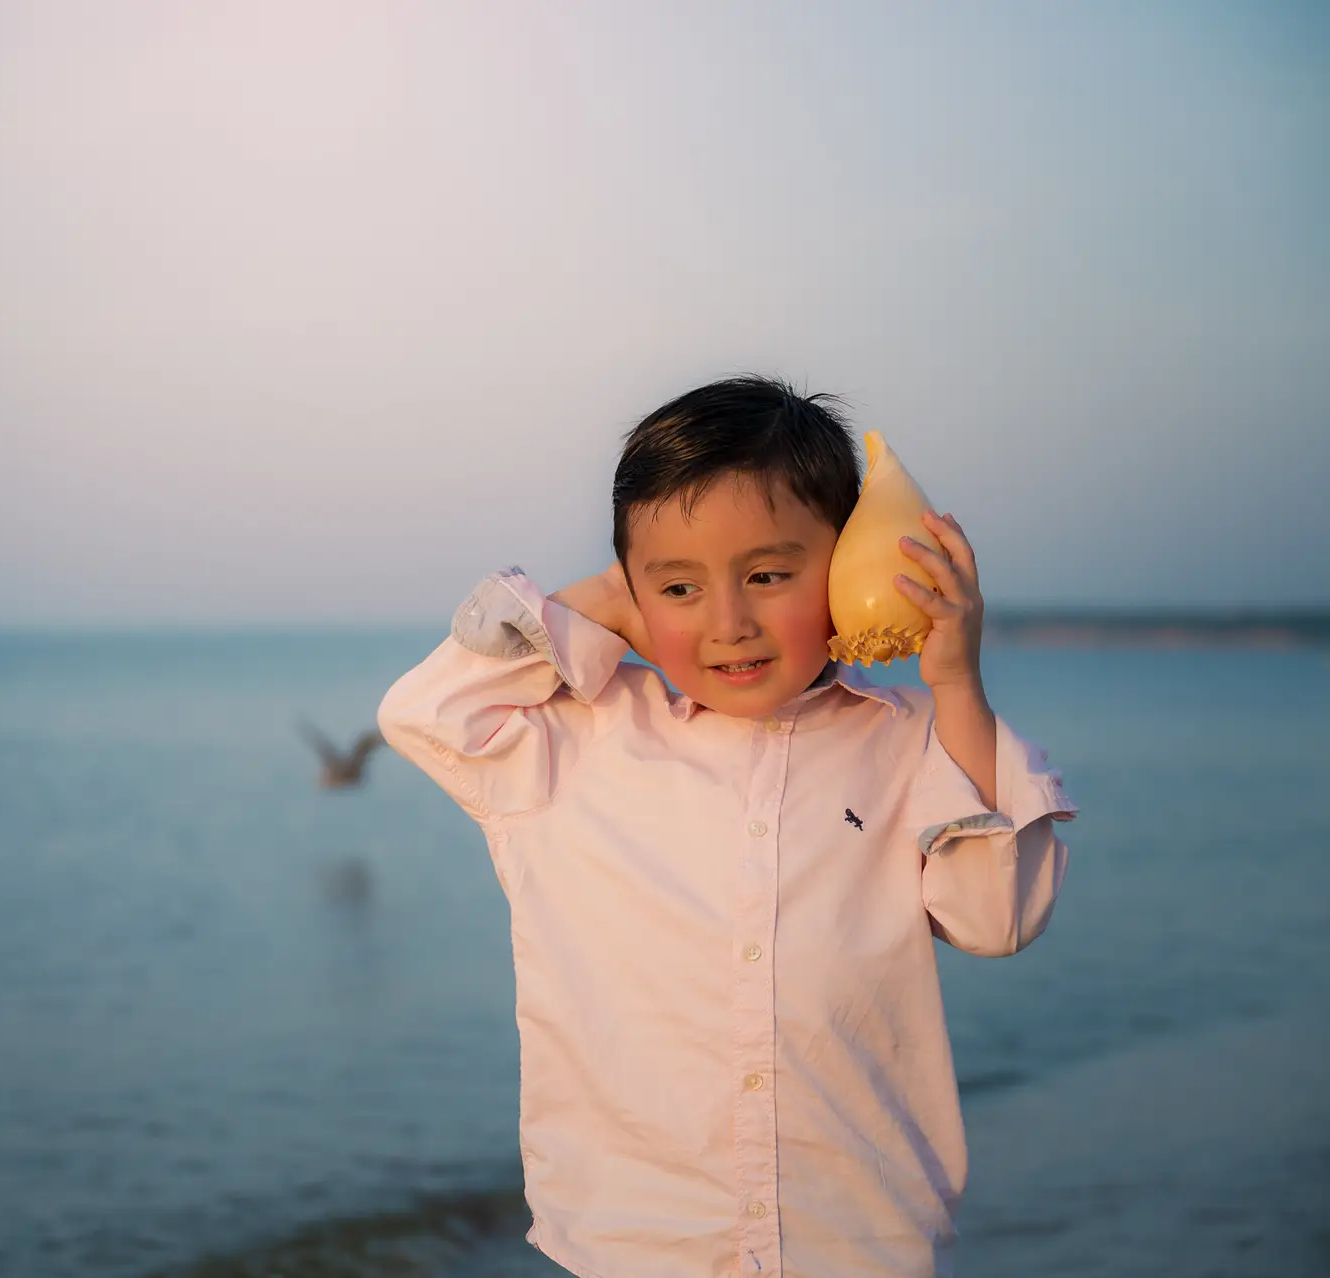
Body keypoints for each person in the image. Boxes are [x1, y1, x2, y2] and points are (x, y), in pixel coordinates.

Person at [377, 375, 1076, 1278]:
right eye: (678, 587)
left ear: (850, 558)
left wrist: (956, 685)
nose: (728, 623)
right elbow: (421, 714)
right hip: (632, 1246)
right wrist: (599, 603)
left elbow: (998, 917)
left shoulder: (913, 742)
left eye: (769, 575)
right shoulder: (578, 741)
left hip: (856, 1243)